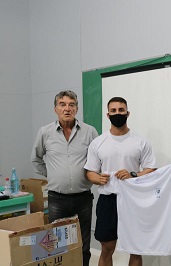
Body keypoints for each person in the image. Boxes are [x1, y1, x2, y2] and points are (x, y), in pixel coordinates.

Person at [84, 96, 157, 266]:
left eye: (121, 110)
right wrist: (98, 178)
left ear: (128, 113)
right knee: (107, 248)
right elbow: (90, 173)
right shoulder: (98, 143)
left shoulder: (140, 141)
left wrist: (133, 174)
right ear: (108, 115)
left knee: (136, 249)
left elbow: (151, 170)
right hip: (108, 201)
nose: (118, 113)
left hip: (134, 200)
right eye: (114, 111)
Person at [31, 90, 99, 266]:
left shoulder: (89, 132)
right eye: (62, 104)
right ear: (56, 109)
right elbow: (36, 159)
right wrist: (52, 174)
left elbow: (98, 159)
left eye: (71, 104)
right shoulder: (45, 132)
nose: (67, 109)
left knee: (83, 245)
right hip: (57, 199)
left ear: (76, 108)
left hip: (83, 198)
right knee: (56, 245)